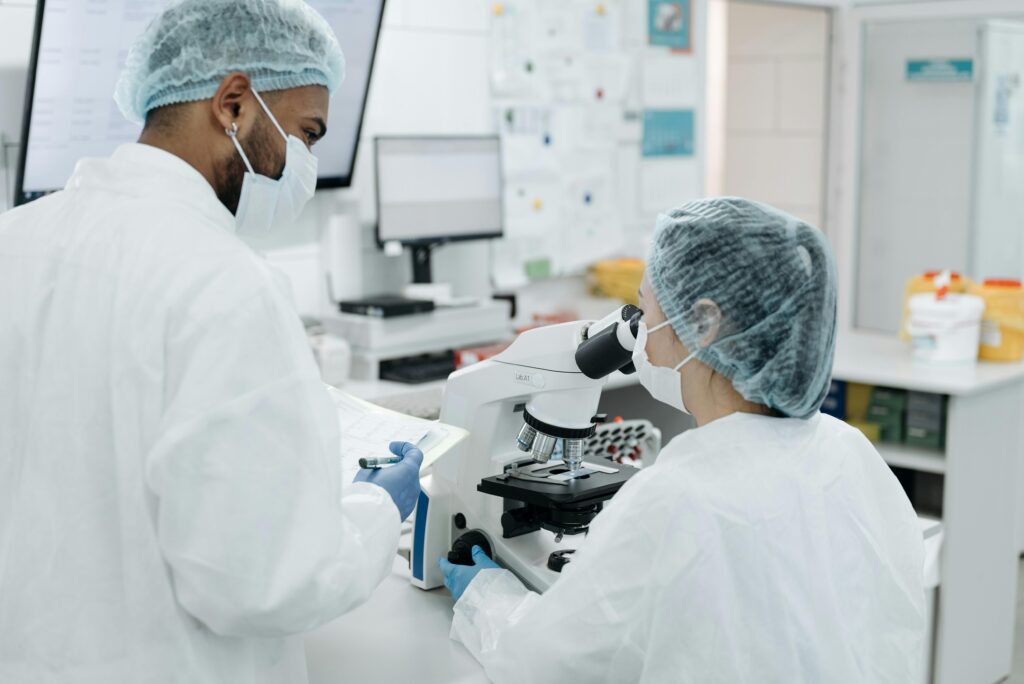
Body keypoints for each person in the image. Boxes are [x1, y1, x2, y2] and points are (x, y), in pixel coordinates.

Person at [0, 1, 421, 682]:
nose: (305, 162)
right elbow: (264, 580)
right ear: (234, 103)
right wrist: (377, 510)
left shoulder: (13, 241)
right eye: (307, 133)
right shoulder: (224, 284)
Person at [439, 198, 926, 683]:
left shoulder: (677, 499)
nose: (639, 332)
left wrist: (486, 598)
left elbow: (543, 668)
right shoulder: (850, 452)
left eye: (646, 306)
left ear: (703, 322)